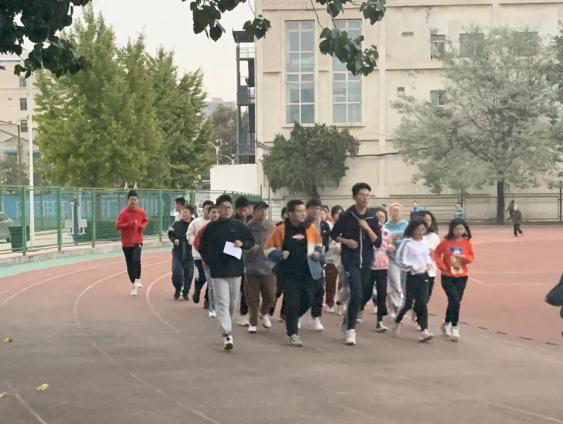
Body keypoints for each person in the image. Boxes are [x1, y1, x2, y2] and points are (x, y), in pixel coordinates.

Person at [198, 195, 255, 351]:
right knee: (222, 302)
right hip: (217, 272)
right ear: (217, 208)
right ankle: (227, 333)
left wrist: (242, 244)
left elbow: (250, 242)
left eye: (229, 207)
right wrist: (210, 261)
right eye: (223, 207)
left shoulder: (239, 226)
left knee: (231, 303)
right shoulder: (211, 228)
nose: (226, 210)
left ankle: (226, 326)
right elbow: (202, 246)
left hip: (235, 270)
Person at [265, 199, 324, 347]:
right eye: (299, 211)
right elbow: (267, 249)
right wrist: (279, 255)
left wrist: (317, 253)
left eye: (304, 211)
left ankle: (291, 317)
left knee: (308, 300)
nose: (303, 214)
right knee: (292, 302)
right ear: (290, 213)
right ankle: (293, 334)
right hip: (288, 273)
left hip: (308, 271)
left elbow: (318, 245)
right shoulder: (281, 229)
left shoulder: (310, 228)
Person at [331, 183, 382, 346]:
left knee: (363, 295)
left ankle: (347, 320)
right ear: (354, 196)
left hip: (366, 262)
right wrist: (346, 241)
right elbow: (334, 234)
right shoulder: (347, 216)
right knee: (357, 293)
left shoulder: (372, 217)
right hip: (350, 261)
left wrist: (367, 229)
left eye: (368, 195)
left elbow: (378, 242)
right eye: (362, 194)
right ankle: (351, 330)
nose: (365, 198)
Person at [391, 219, 434, 342]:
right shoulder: (407, 242)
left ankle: (424, 330)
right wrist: (413, 267)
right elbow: (400, 260)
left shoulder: (424, 241)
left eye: (423, 229)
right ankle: (397, 320)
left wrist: (428, 264)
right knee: (408, 303)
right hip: (411, 276)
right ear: (413, 229)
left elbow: (426, 256)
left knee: (422, 302)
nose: (421, 232)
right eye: (418, 229)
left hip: (423, 275)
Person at [434, 218, 475, 342]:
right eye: (456, 229)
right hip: (447, 276)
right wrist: (442, 266)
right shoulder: (446, 242)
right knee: (455, 300)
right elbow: (436, 253)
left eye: (461, 229)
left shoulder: (467, 242)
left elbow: (471, 257)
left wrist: (464, 258)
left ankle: (447, 322)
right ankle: (455, 326)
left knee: (454, 302)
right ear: (452, 229)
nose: (459, 231)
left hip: (462, 276)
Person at [244, 201, 277, 333]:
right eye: (259, 210)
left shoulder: (272, 227)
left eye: (264, 210)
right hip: (252, 268)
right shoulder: (247, 228)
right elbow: (242, 246)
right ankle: (253, 322)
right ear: (253, 212)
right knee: (252, 298)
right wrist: (250, 250)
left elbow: (277, 244)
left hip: (269, 267)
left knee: (271, 296)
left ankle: (264, 313)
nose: (263, 212)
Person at [115, 190, 148, 296]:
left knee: (136, 259)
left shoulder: (141, 211)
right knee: (129, 263)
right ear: (128, 200)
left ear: (137, 200)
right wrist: (129, 224)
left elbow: (145, 220)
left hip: (138, 240)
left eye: (135, 199)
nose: (133, 202)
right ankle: (133, 284)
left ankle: (138, 279)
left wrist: (142, 226)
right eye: (131, 199)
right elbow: (117, 226)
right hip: (126, 242)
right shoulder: (123, 213)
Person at [363, 206, 391, 332]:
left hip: (382, 266)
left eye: (382, 217)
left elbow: (388, 245)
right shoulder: (367, 231)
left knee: (382, 293)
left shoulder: (387, 232)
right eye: (378, 217)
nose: (380, 219)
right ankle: (358, 309)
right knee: (366, 292)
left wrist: (390, 247)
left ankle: (380, 321)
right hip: (369, 265)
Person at [306, 198, 331, 331]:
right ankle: (296, 316)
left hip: (317, 262)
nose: (315, 211)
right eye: (312, 208)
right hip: (302, 262)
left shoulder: (324, 225)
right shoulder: (302, 225)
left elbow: (325, 244)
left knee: (319, 290)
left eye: (318, 209)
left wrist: (320, 254)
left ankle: (316, 317)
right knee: (302, 292)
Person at [193, 204, 221, 318]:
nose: (216, 214)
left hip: (223, 263)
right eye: (213, 212)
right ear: (209, 214)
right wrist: (205, 254)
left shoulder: (226, 227)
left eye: (217, 212)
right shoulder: (205, 229)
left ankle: (221, 306)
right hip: (208, 263)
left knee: (222, 286)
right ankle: (212, 308)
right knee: (212, 286)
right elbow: (196, 242)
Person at [187, 200, 215, 305]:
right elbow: (189, 234)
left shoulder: (216, 223)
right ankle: (197, 290)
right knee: (201, 277)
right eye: (206, 209)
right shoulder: (196, 222)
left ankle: (208, 299)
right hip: (198, 255)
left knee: (211, 279)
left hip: (211, 256)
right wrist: (195, 242)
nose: (208, 211)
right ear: (203, 210)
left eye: (210, 209)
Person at [415, 210, 440, 325]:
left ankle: (417, 311)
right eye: (425, 220)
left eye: (429, 220)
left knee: (426, 298)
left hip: (430, 271)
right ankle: (421, 322)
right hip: (417, 271)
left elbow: (435, 253)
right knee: (420, 297)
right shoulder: (414, 236)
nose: (427, 222)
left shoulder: (434, 236)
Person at [384, 203, 409, 316]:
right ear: (390, 212)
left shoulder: (406, 225)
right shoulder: (387, 226)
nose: (395, 213)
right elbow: (384, 240)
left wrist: (397, 239)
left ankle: (393, 306)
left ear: (401, 212)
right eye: (393, 210)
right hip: (392, 259)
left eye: (397, 210)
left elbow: (409, 238)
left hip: (405, 260)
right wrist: (389, 243)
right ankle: (396, 306)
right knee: (395, 283)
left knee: (403, 286)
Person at [168, 206, 194, 301]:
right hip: (178, 252)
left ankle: (185, 292)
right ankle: (178, 289)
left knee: (189, 274)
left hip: (190, 252)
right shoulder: (176, 224)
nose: (183, 214)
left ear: (191, 214)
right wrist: (174, 240)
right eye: (182, 212)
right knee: (176, 272)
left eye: (186, 212)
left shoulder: (194, 224)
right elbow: (170, 234)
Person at [234, 196, 252, 327]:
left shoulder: (252, 222)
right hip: (235, 258)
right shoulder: (233, 222)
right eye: (241, 210)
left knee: (246, 288)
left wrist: (245, 244)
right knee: (237, 288)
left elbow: (252, 240)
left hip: (251, 259)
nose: (243, 212)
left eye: (245, 209)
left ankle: (244, 314)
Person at [269, 207, 290, 320]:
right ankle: (270, 308)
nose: (288, 216)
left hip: (292, 264)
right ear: (282, 216)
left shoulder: (298, 229)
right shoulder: (276, 228)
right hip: (279, 263)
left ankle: (284, 313)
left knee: (289, 290)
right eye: (286, 214)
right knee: (278, 289)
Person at [325, 205, 344, 313]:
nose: (339, 215)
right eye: (337, 213)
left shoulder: (346, 226)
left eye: (341, 213)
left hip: (342, 257)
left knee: (342, 282)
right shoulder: (328, 226)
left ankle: (340, 303)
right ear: (332, 215)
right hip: (330, 257)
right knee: (330, 281)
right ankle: (329, 303)